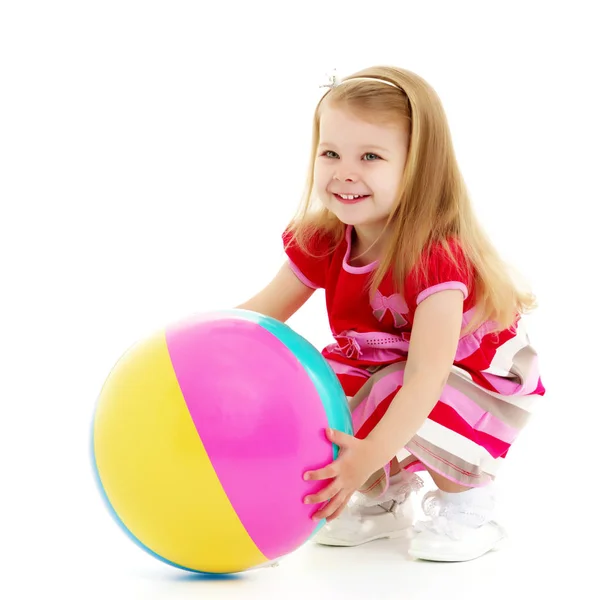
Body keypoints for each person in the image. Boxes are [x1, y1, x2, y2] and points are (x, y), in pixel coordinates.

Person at [237, 65, 545, 562]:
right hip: (393, 368)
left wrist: (365, 458)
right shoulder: (325, 237)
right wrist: (196, 348)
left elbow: (426, 375)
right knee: (316, 382)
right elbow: (258, 322)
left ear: (417, 169)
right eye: (331, 153)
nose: (344, 172)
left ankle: (469, 507)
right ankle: (385, 501)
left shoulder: (436, 257)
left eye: (371, 157)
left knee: (392, 389)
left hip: (477, 383)